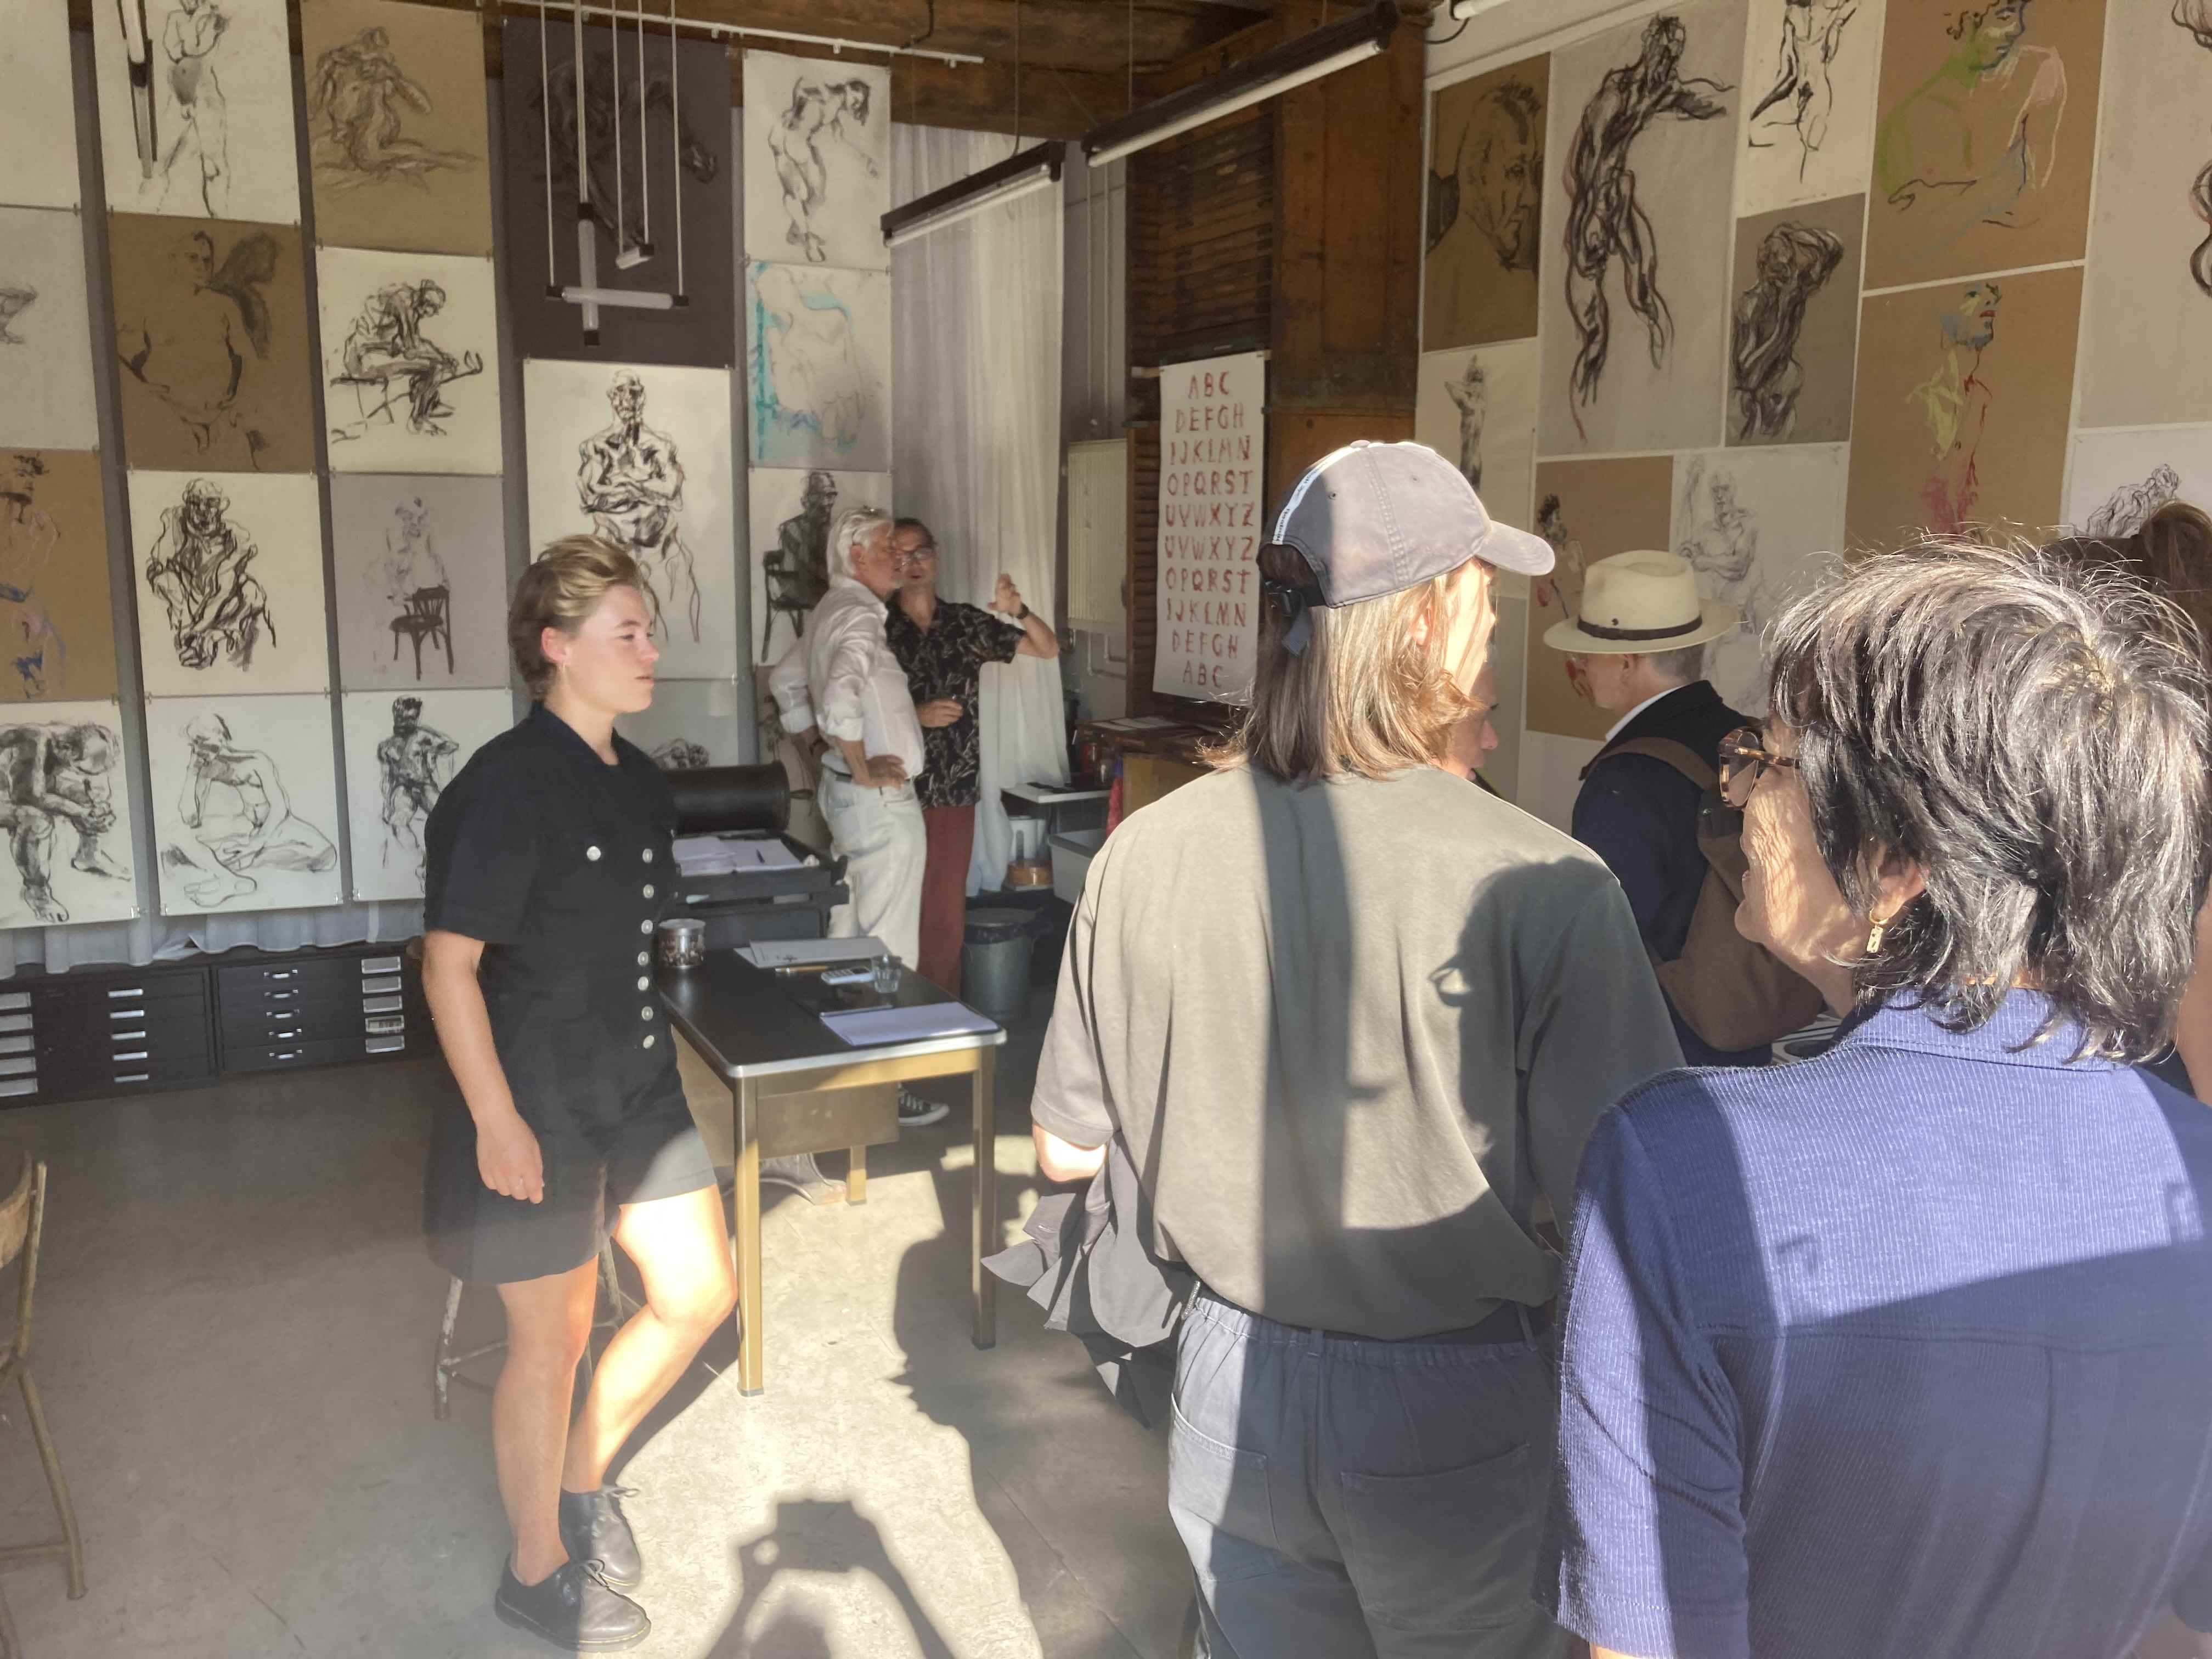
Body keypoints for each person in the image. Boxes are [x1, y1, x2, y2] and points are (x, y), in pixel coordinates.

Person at [1029, 442, 1682, 1659]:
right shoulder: (1547, 883)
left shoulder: (1140, 854)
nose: (1496, 625)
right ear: (1424, 618)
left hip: (1225, 1375)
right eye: (1482, 595)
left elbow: (1065, 1151)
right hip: (1452, 1402)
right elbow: (1636, 1214)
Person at [1543, 543, 2212, 1659]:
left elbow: (1647, 1638)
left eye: (1766, 762)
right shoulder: (2186, 1166)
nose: (1736, 792)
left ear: (1895, 860)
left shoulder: (1687, 1165)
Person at [421, 537, 735, 1652]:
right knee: (550, 1343)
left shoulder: (639, 780)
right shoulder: (503, 786)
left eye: (650, 630)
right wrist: (496, 1120)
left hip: (637, 1077)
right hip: (538, 1093)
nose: (651, 651)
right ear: (556, 647)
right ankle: (535, 1569)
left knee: (699, 1292)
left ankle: (579, 1480)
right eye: (628, 633)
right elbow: (449, 968)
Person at [1549, 550, 1774, 1066]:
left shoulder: (1628, 779)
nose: (1583, 665)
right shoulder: (1748, 741)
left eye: (1590, 654)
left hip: (1661, 1048)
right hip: (1751, 1015)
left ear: (1626, 664)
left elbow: (1603, 940)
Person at [884, 517, 1059, 1002]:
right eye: (900, 555)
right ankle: (893, 1010)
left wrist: (1019, 610)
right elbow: (850, 707)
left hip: (952, 787)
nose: (912, 564)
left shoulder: (963, 623)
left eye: (920, 552)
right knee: (894, 905)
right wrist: (915, 715)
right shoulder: (876, 627)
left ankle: (937, 1012)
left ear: (936, 555)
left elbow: (1047, 648)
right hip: (892, 786)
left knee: (944, 912)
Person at [768, 506, 927, 971]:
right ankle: (887, 1019)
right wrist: (863, 769)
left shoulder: (830, 611)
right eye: (889, 548)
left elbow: (784, 682)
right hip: (878, 804)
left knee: (848, 933)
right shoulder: (859, 614)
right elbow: (839, 698)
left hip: (846, 797)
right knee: (889, 953)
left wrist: (821, 748)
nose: (900, 557)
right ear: (858, 556)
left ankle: (846, 1012)